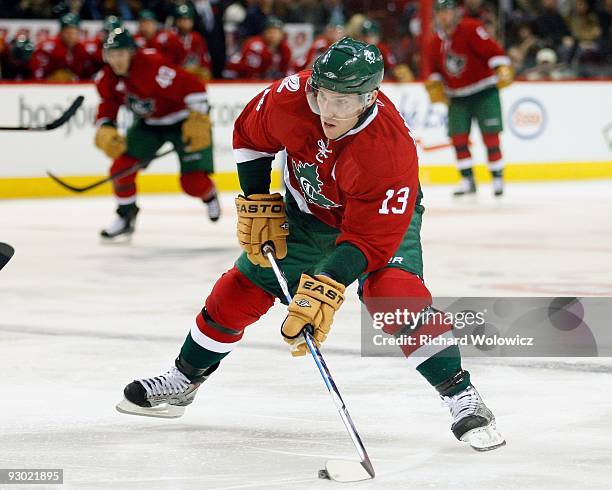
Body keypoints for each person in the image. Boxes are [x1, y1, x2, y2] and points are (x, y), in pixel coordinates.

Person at [115, 37, 505, 452]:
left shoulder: (388, 152)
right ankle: (184, 380)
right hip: (306, 213)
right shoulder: (293, 97)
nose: (327, 111)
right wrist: (258, 198)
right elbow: (250, 135)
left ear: (368, 98)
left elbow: (368, 239)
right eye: (321, 96)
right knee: (239, 289)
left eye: (341, 101)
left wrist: (326, 283)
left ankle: (461, 395)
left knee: (392, 294)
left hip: (376, 223)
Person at [93, 27, 220, 239]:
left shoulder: (152, 66)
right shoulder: (107, 77)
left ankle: (209, 196)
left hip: (182, 121)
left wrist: (198, 120)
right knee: (120, 168)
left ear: (131, 52)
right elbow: (108, 104)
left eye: (120, 54)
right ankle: (125, 216)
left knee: (193, 183)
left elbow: (194, 87)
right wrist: (105, 127)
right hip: (149, 125)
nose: (116, 60)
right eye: (111, 55)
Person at [423, 0, 514, 196]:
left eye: (448, 11)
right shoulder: (434, 42)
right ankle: (467, 179)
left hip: (484, 91)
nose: (445, 16)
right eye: (441, 12)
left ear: (455, 13)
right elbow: (434, 71)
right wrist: (435, 83)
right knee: (458, 138)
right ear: (436, 15)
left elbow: (493, 50)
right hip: (457, 97)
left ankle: (497, 177)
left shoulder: (471, 28)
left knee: (490, 137)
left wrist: (501, 66)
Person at [30, 13, 93, 81]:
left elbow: (86, 73)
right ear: (61, 32)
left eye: (74, 32)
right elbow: (38, 71)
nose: (71, 36)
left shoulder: (81, 49)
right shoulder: (48, 47)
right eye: (68, 32)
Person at [225, 16, 292, 79]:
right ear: (264, 33)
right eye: (270, 32)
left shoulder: (285, 49)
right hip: (238, 78)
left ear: (282, 34)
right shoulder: (255, 46)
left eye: (276, 32)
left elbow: (285, 72)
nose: (273, 35)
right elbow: (250, 72)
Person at [173, 3, 213, 81]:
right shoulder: (170, 38)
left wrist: (203, 70)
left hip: (195, 79)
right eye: (182, 19)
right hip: (177, 80)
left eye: (188, 19)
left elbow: (206, 63)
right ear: (177, 22)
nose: (185, 22)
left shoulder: (197, 38)